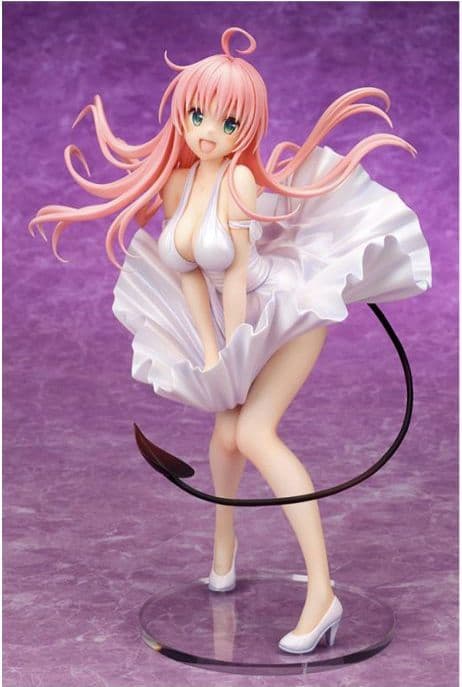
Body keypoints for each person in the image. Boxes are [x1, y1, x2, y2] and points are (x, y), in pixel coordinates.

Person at [28, 26, 432, 654]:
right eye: (197, 115)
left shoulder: (239, 183)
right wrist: (213, 351)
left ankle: (322, 594)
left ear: (248, 127)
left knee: (253, 433)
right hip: (227, 317)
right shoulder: (178, 183)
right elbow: (191, 274)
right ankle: (224, 551)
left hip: (284, 310)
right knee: (223, 434)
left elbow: (238, 274)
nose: (207, 132)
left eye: (228, 121)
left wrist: (236, 354)